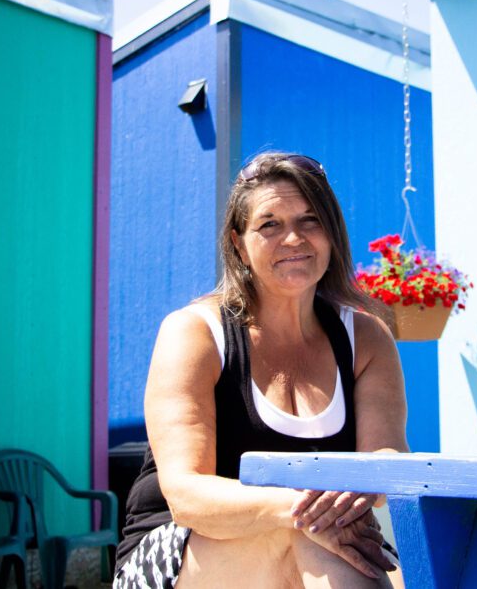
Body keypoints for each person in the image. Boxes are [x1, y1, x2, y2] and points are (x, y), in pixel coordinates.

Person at [114, 152, 408, 589]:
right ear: (239, 243)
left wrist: (348, 499)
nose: (293, 238)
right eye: (270, 224)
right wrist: (306, 513)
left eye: (310, 220)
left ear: (332, 234)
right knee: (306, 542)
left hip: (317, 534)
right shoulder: (194, 333)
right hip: (178, 549)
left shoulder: (366, 338)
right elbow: (186, 495)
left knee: (409, 568)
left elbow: (388, 463)